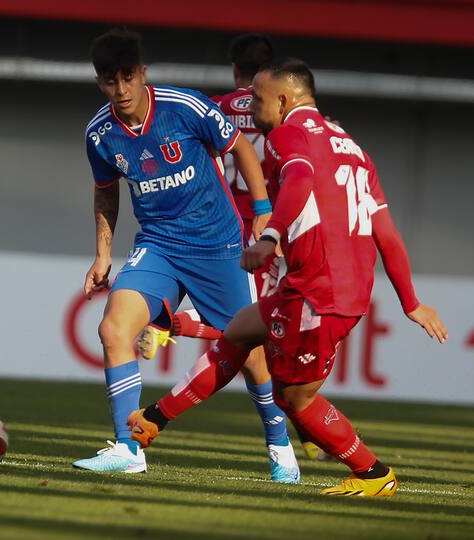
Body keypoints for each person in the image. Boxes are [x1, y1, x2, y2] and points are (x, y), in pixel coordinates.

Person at [127, 58, 449, 496]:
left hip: (319, 293)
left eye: (258, 100)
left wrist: (269, 235)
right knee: (240, 330)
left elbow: (298, 177)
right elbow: (386, 233)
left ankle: (375, 474)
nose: (254, 109)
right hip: (328, 285)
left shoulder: (286, 135)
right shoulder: (352, 146)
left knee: (294, 400)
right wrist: (410, 301)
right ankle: (155, 419)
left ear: (283, 100)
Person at [71, 29, 300, 483]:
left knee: (251, 355)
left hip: (218, 245)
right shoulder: (100, 134)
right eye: (109, 81)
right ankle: (128, 446)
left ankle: (280, 447)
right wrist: (102, 255)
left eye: (127, 78)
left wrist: (262, 211)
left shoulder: (184, 106)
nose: (120, 90)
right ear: (100, 83)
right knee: (113, 328)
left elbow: (240, 150)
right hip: (157, 243)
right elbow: (105, 194)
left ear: (142, 74)